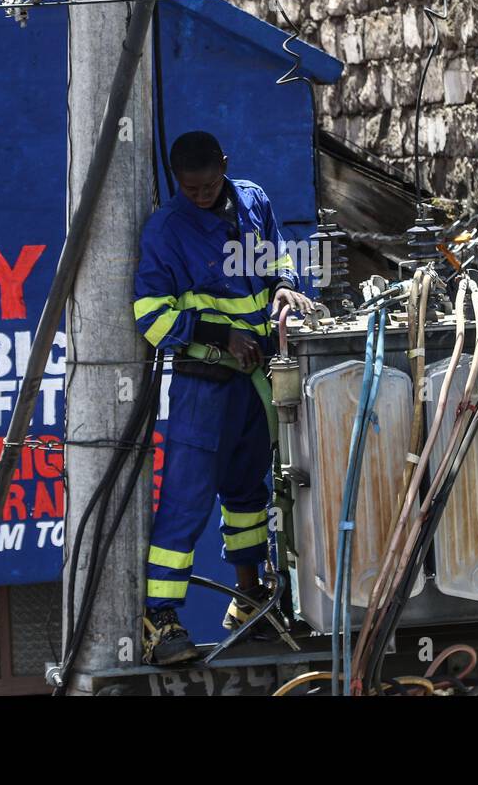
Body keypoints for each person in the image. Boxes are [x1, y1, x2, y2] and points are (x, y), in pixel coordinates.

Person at [132, 130, 314, 665]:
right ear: (177, 182)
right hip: (203, 386)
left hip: (253, 384)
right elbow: (150, 313)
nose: (201, 195)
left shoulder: (253, 200)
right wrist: (216, 335)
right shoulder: (166, 229)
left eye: (209, 185)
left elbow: (280, 255)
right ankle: (161, 621)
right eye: (191, 189)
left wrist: (285, 284)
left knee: (249, 496)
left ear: (225, 169)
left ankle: (250, 597)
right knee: (186, 504)